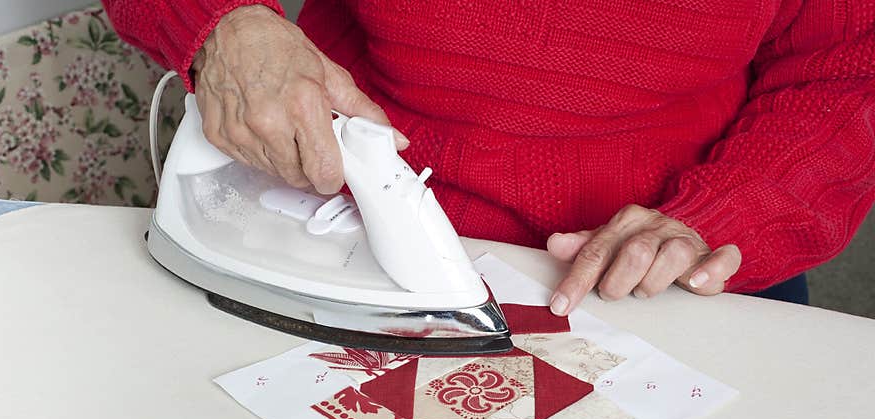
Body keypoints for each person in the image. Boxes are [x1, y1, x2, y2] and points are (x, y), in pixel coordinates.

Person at [103, 0, 874, 315]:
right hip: (346, 216)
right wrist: (225, 26)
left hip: (677, 259)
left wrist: (730, 211)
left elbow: (849, 61)